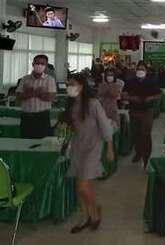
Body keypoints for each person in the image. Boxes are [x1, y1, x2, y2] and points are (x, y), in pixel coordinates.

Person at [62, 74, 114, 234]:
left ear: (82, 86)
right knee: (81, 187)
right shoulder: (72, 104)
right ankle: (85, 216)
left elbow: (105, 126)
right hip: (77, 147)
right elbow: (73, 126)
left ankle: (94, 210)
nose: (69, 87)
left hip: (93, 147)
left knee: (82, 185)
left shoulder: (93, 103)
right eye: (68, 84)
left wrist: (110, 148)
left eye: (73, 84)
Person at [123, 62, 161, 166]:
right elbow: (124, 95)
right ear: (136, 70)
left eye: (142, 69)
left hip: (147, 111)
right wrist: (132, 98)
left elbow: (159, 94)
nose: (140, 71)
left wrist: (150, 98)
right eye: (138, 69)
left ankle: (146, 157)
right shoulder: (130, 82)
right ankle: (138, 153)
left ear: (146, 71)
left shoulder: (151, 82)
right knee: (135, 133)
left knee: (146, 134)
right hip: (134, 110)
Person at [18, 55, 57, 138]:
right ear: (33, 64)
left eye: (42, 64)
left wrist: (29, 93)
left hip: (42, 117)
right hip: (26, 116)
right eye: (37, 63)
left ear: (46, 66)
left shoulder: (50, 79)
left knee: (43, 141)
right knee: (25, 141)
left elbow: (51, 97)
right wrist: (39, 93)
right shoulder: (24, 79)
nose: (39, 65)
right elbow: (18, 96)